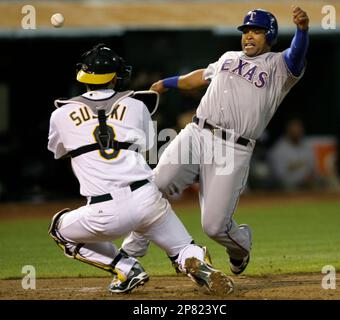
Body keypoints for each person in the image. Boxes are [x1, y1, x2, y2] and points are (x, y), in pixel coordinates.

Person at [121, 7, 310, 275]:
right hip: (197, 132)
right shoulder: (228, 57)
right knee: (155, 184)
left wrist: (302, 30)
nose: (249, 36)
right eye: (245, 31)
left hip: (233, 148)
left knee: (214, 227)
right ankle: (131, 252)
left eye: (256, 31)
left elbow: (297, 55)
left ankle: (240, 246)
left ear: (270, 36)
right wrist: (167, 82)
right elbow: (199, 77)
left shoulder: (279, 67)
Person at [47, 44, 234, 295]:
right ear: (114, 77)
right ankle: (195, 261)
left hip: (103, 212)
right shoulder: (137, 105)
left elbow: (58, 151)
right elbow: (145, 144)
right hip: (147, 198)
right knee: (182, 247)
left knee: (59, 228)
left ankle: (125, 267)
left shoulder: (60, 114)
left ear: (84, 77)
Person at [268, 118, 317, 191]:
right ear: (288, 130)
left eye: (299, 128)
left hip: (308, 182)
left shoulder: (306, 146)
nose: (297, 131)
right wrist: (300, 178)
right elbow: (279, 176)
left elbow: (313, 168)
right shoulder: (279, 149)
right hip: (289, 185)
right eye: (294, 128)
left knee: (328, 181)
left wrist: (310, 177)